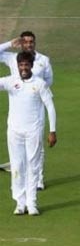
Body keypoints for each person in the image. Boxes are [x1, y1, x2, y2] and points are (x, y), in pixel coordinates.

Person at [0, 51, 56, 216]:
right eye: (21, 65)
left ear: (31, 66)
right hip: (14, 131)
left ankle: (32, 203)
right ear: (17, 66)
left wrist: (52, 131)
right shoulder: (11, 81)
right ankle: (20, 202)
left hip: (34, 131)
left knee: (33, 166)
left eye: (26, 65)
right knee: (17, 166)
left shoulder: (39, 83)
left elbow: (50, 107)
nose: (23, 68)